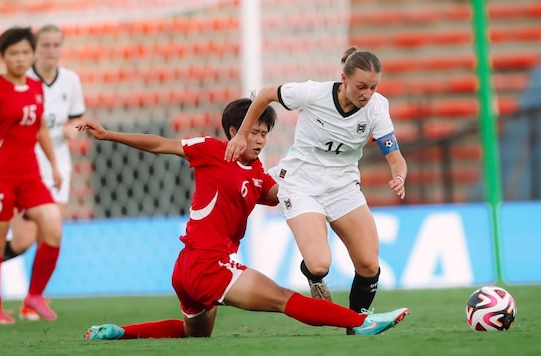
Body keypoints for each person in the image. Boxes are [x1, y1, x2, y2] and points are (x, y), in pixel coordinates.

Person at [79, 98, 408, 340]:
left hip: (190, 268)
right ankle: (359, 322)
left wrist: (309, 167)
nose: (261, 139)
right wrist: (109, 136)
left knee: (193, 336)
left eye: (265, 133)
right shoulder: (212, 151)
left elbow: (286, 195)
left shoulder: (260, 175)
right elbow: (161, 144)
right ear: (234, 131)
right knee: (283, 299)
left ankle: (117, 333)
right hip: (207, 264)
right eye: (254, 132)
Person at [224, 46, 408, 334]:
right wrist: (243, 134)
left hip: (343, 187)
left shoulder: (377, 107)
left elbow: (395, 157)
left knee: (369, 264)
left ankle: (357, 322)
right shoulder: (312, 93)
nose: (367, 94)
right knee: (320, 264)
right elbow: (264, 95)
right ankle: (313, 276)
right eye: (361, 86)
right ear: (344, 79)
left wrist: (399, 175)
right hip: (301, 184)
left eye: (373, 87)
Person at [0, 24, 85, 321]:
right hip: (0, 176)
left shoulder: (35, 89)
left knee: (53, 227)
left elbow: (41, 128)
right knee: (1, 244)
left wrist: (55, 166)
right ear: (3, 56)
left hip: (31, 175)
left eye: (24, 52)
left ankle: (34, 296)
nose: (20, 58)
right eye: (13, 53)